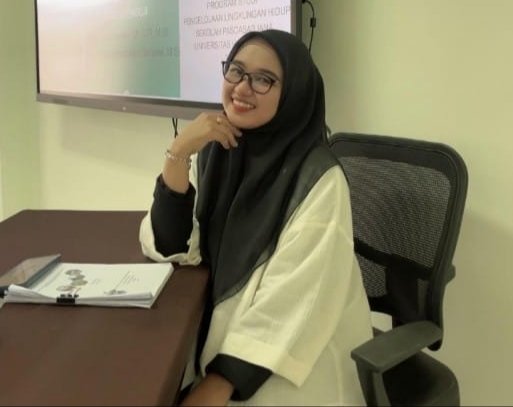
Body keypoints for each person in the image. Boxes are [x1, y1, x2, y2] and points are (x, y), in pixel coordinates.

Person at [139, 29, 372, 406]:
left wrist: (217, 385)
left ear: (292, 93)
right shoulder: (219, 149)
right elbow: (172, 243)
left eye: (264, 79)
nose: (242, 88)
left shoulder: (319, 178)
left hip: (287, 362)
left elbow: (296, 299)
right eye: (236, 70)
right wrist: (179, 151)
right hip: (219, 342)